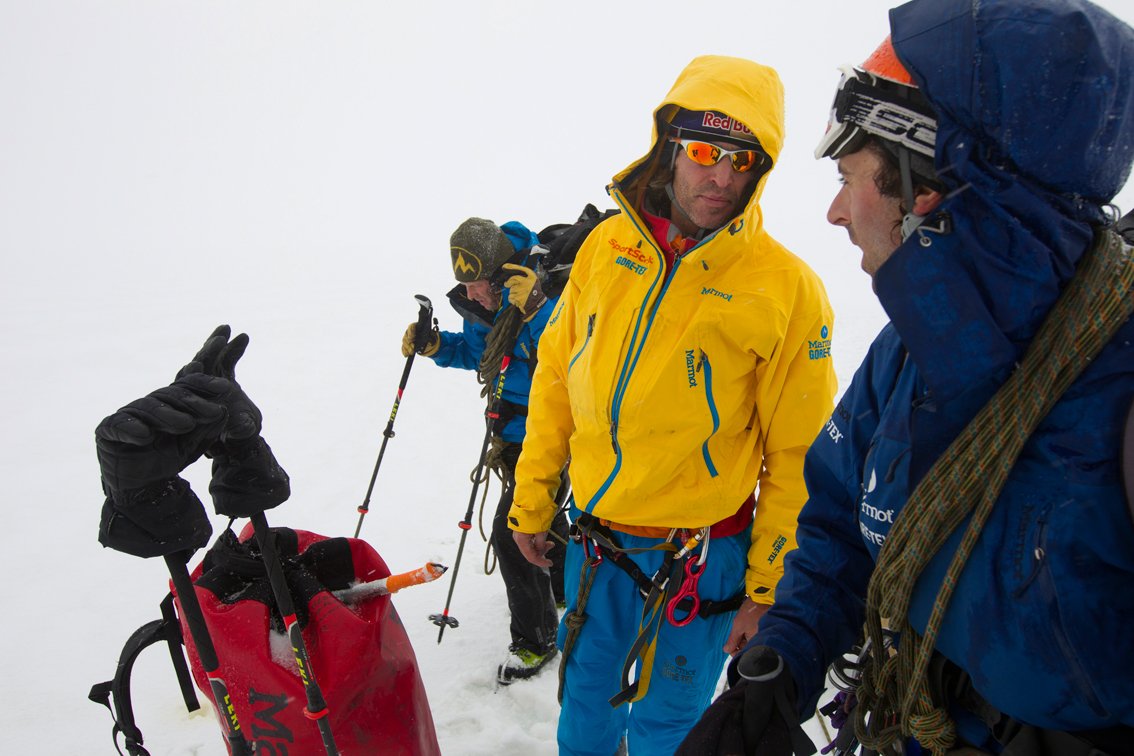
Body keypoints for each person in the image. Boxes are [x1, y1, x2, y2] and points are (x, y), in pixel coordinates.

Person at [679, 1, 1134, 754]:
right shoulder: (906, 353)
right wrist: (783, 665)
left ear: (929, 185)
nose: (834, 212)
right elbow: (838, 525)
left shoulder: (1115, 390)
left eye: (850, 177)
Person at [508, 55, 838, 755]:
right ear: (670, 146)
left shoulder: (786, 289)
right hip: (597, 540)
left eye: (743, 161)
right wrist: (531, 499)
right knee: (585, 706)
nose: (721, 177)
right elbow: (557, 380)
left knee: (673, 728)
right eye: (705, 152)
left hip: (704, 557)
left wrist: (768, 588)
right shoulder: (605, 249)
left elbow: (798, 454)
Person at [402, 216, 568, 685]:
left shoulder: (548, 292)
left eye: (478, 285)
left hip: (558, 432)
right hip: (512, 432)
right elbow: (482, 353)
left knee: (513, 529)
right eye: (465, 286)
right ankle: (560, 587)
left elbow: (574, 351)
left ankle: (536, 640)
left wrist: (536, 309)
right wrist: (437, 346)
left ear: (501, 275)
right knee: (545, 513)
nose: (471, 295)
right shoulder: (483, 300)